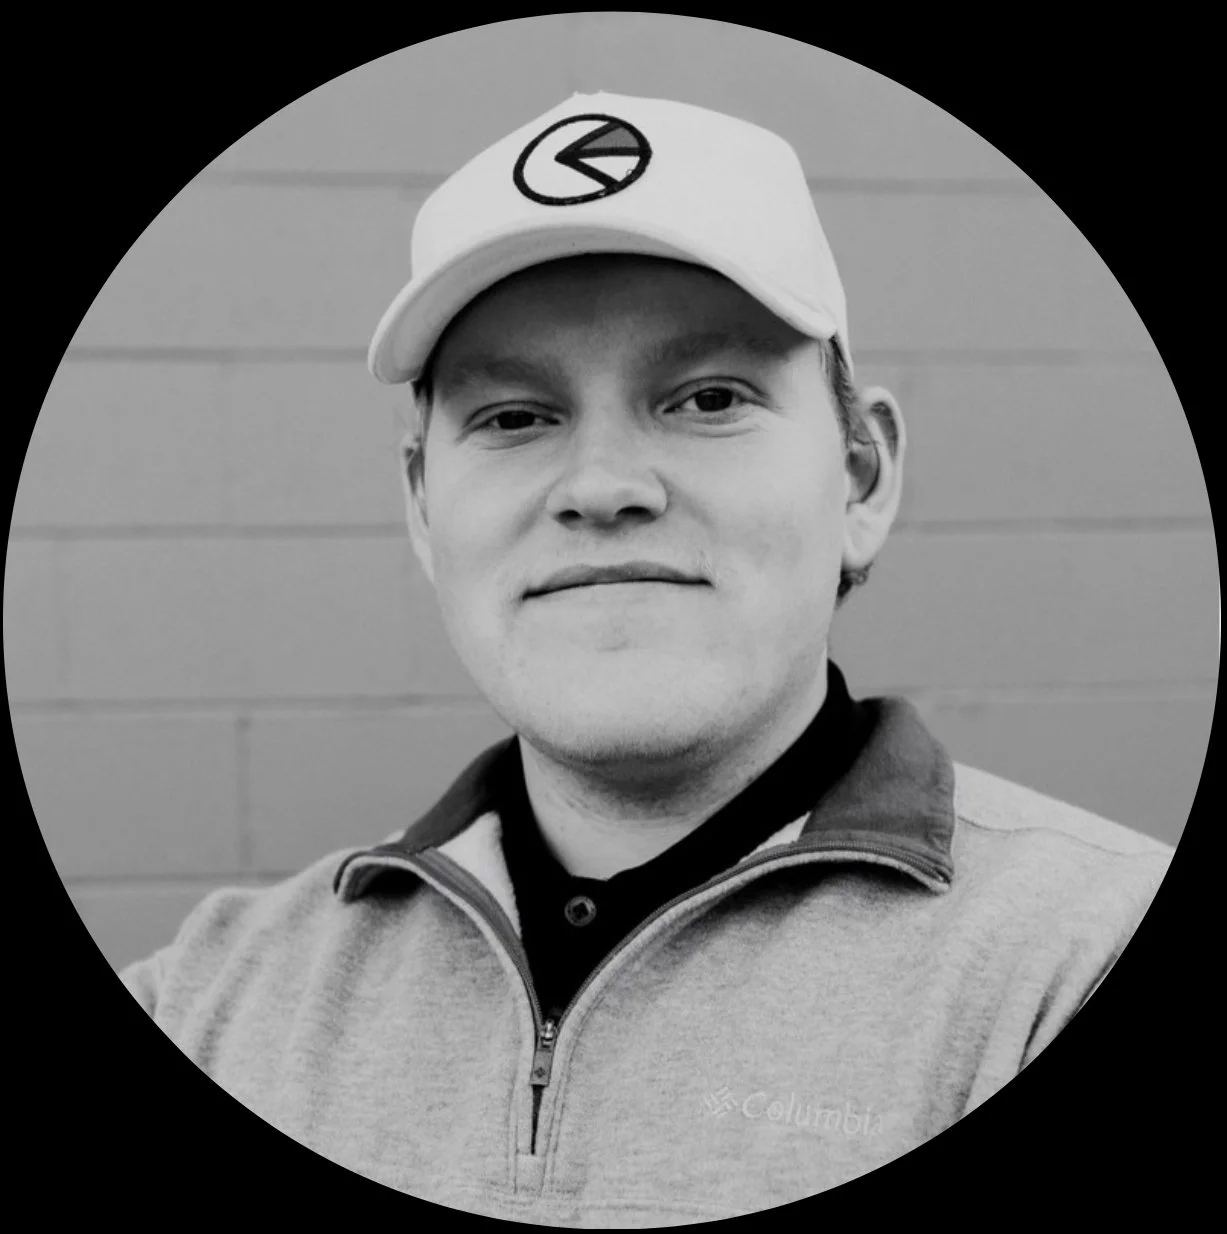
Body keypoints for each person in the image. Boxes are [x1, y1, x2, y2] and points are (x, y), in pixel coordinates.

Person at [120, 92, 1172, 1224]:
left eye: (709, 397)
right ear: (425, 506)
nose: (603, 485)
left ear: (861, 474)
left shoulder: (1075, 965)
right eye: (516, 417)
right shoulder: (213, 1001)